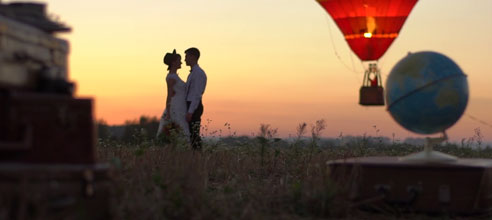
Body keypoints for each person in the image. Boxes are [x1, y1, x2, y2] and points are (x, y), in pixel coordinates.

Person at [156, 49, 190, 140]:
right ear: (174, 62)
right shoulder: (171, 77)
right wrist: (168, 112)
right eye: (179, 61)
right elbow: (169, 95)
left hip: (181, 105)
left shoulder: (175, 76)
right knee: (179, 128)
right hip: (176, 106)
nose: (181, 63)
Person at [184, 47, 207, 150]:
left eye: (186, 56)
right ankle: (195, 155)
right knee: (191, 134)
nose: (185, 59)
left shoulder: (199, 73)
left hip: (194, 106)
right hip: (190, 105)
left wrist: (190, 111)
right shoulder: (192, 73)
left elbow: (197, 94)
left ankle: (198, 156)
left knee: (194, 134)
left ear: (193, 57)